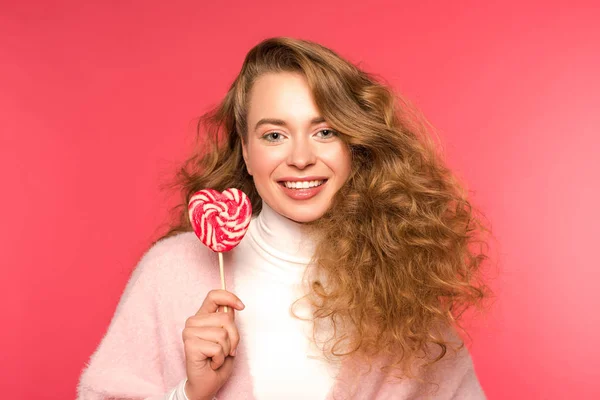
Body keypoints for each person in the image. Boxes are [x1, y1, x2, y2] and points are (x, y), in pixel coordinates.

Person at [77, 37, 493, 400]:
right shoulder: (171, 271)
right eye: (274, 135)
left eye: (325, 131)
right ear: (245, 150)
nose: (300, 158)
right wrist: (190, 394)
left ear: (355, 144)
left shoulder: (402, 280)